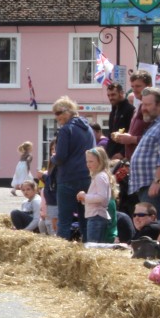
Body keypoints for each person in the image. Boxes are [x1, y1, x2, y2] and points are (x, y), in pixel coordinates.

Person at [127, 87, 160, 217]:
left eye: (147, 104)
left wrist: (157, 181)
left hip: (153, 186)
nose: (143, 108)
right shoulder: (156, 123)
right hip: (146, 185)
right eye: (143, 104)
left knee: (152, 224)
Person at [51, 96, 96, 240]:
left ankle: (61, 254)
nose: (57, 117)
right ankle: (87, 249)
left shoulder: (66, 129)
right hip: (86, 177)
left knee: (64, 221)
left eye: (58, 113)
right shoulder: (88, 128)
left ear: (68, 111)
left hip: (68, 178)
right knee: (85, 219)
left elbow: (60, 157)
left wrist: (53, 157)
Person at [77, 147, 114, 243]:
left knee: (93, 246)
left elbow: (102, 197)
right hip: (96, 216)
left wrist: (85, 196)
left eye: (91, 161)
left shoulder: (100, 177)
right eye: (87, 161)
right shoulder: (100, 176)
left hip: (96, 216)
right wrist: (85, 199)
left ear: (100, 161)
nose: (88, 164)